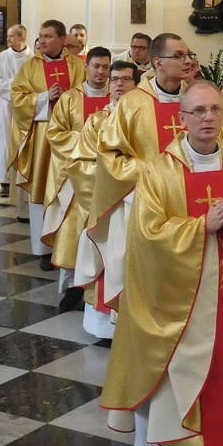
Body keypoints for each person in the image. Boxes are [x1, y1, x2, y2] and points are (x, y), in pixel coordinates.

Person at [100, 81, 223, 446]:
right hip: (179, 301)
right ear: (181, 118)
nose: (208, 117)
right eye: (199, 111)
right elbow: (146, 237)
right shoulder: (158, 171)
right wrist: (202, 226)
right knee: (181, 373)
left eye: (216, 109)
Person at [77, 33, 194, 312]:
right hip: (139, 201)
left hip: (188, 201)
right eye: (178, 56)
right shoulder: (132, 104)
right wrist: (152, 171)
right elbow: (109, 156)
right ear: (158, 63)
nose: (187, 61)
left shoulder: (194, 99)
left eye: (188, 55)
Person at [67, 60, 139, 337]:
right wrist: (109, 187)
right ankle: (104, 326)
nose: (119, 84)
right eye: (115, 79)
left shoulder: (143, 120)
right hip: (108, 206)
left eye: (126, 79)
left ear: (137, 85)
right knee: (109, 259)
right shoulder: (97, 121)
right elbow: (79, 163)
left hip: (140, 201)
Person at [10, 19, 86, 271]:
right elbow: (17, 97)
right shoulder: (30, 67)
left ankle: (70, 246)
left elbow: (86, 95)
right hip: (43, 138)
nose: (42, 41)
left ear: (63, 39)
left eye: (48, 36)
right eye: (40, 36)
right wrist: (44, 98)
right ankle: (43, 249)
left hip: (71, 139)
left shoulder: (77, 66)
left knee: (69, 191)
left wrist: (68, 100)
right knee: (42, 190)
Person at [42, 46, 111, 313]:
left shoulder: (118, 100)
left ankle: (100, 288)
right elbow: (55, 134)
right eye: (96, 66)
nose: (101, 72)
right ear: (86, 67)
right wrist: (88, 143)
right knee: (75, 232)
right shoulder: (70, 99)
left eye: (106, 67)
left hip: (108, 178)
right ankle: (73, 289)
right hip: (76, 180)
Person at [0, 24, 33, 198]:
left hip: (27, 106)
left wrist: (23, 93)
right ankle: (5, 181)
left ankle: (23, 177)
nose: (8, 40)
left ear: (21, 37)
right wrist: (14, 89)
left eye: (11, 36)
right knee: (5, 141)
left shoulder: (33, 58)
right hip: (7, 106)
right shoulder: (2, 56)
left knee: (25, 141)